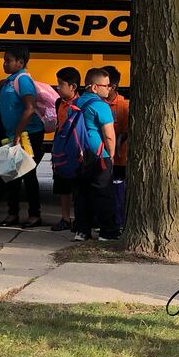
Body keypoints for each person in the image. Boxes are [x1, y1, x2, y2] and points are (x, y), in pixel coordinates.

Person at [69, 68, 120, 242]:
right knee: (104, 193)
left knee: (81, 194)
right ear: (94, 87)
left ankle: (82, 231)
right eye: (105, 85)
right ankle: (107, 232)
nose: (109, 89)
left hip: (78, 154)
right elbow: (109, 135)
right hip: (98, 155)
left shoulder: (74, 104)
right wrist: (111, 155)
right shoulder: (100, 106)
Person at [0, 47, 46, 228]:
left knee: (28, 173)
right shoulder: (10, 81)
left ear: (20, 62)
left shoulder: (23, 80)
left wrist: (18, 133)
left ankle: (34, 215)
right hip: (13, 133)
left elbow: (29, 108)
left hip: (28, 134)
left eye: (8, 60)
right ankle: (12, 213)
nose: (4, 63)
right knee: (12, 174)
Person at [50, 67, 81, 232]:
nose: (57, 87)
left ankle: (79, 218)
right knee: (62, 186)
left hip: (75, 149)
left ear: (73, 87)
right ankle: (65, 218)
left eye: (61, 84)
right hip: (61, 148)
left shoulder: (80, 104)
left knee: (77, 186)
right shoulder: (58, 103)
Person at [102, 64, 130, 229]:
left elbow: (126, 131)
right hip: (102, 156)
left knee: (119, 191)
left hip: (120, 158)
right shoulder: (99, 103)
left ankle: (119, 220)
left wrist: (116, 142)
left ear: (112, 87)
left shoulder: (123, 106)